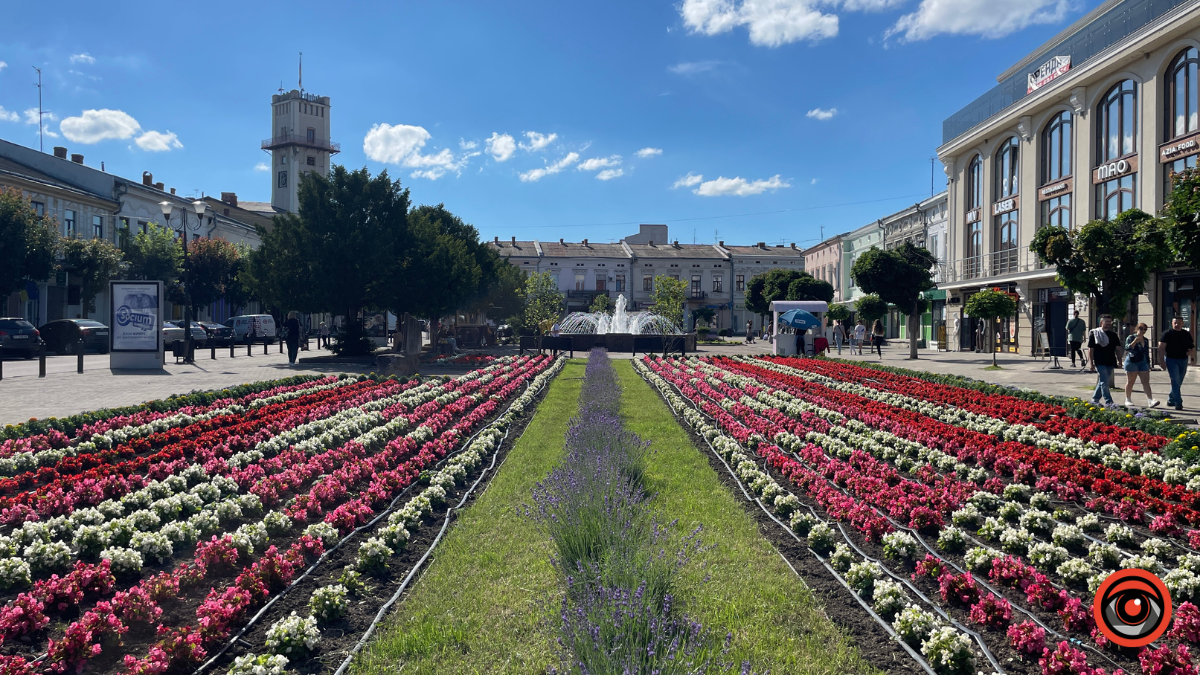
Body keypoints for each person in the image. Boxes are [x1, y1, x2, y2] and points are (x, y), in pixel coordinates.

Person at [1159, 316, 1195, 411]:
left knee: (1178, 381)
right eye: (1175, 323)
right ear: (1172, 323)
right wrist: (1162, 361)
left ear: (1182, 324)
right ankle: (1178, 403)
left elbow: (1191, 346)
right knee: (1175, 380)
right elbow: (1161, 347)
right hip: (1171, 359)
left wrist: (1190, 352)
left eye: (1179, 323)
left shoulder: (1186, 334)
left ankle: (1171, 399)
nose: (1177, 325)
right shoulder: (1167, 334)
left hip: (1183, 359)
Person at [1088, 314, 1123, 407]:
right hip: (1099, 361)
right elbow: (1090, 350)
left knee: (1103, 381)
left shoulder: (1113, 335)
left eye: (1109, 322)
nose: (1108, 324)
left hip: (1111, 360)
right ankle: (1109, 401)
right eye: (1106, 322)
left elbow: (1118, 349)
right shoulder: (1094, 334)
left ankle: (1095, 399)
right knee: (1104, 381)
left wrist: (1120, 361)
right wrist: (1091, 363)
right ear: (1101, 322)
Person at [1122, 322, 1159, 408]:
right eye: (1141, 329)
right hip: (1132, 361)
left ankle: (1150, 400)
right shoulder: (1131, 337)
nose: (1143, 331)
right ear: (1137, 329)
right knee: (1131, 381)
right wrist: (1135, 341)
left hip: (1143, 362)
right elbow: (1127, 348)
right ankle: (1128, 399)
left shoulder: (1145, 340)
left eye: (1145, 329)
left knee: (1145, 382)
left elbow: (1146, 352)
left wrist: (1148, 364)